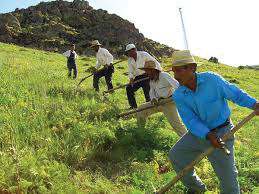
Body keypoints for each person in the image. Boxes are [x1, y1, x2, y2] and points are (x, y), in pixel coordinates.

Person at [168, 50, 259, 194]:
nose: (176, 76)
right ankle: (196, 188)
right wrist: (208, 135)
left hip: (223, 132)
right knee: (177, 155)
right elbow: (190, 120)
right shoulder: (179, 95)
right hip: (198, 134)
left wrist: (254, 104)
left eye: (179, 70)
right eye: (174, 71)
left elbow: (234, 93)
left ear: (192, 68)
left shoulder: (212, 80)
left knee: (228, 178)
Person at [136, 60, 187, 137]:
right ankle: (141, 133)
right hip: (158, 103)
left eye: (147, 71)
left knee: (176, 125)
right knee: (141, 109)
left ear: (153, 70)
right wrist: (153, 99)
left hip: (169, 102)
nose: (146, 73)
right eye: (145, 71)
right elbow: (151, 92)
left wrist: (177, 96)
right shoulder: (152, 80)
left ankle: (188, 140)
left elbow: (177, 86)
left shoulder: (164, 76)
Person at [125, 43, 161, 109]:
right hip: (138, 77)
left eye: (130, 51)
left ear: (135, 50)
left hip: (147, 75)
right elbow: (130, 71)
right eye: (128, 52)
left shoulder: (144, 54)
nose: (129, 53)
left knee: (147, 91)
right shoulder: (130, 60)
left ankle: (150, 106)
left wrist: (158, 71)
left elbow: (154, 62)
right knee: (129, 88)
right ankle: (133, 106)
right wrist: (131, 78)